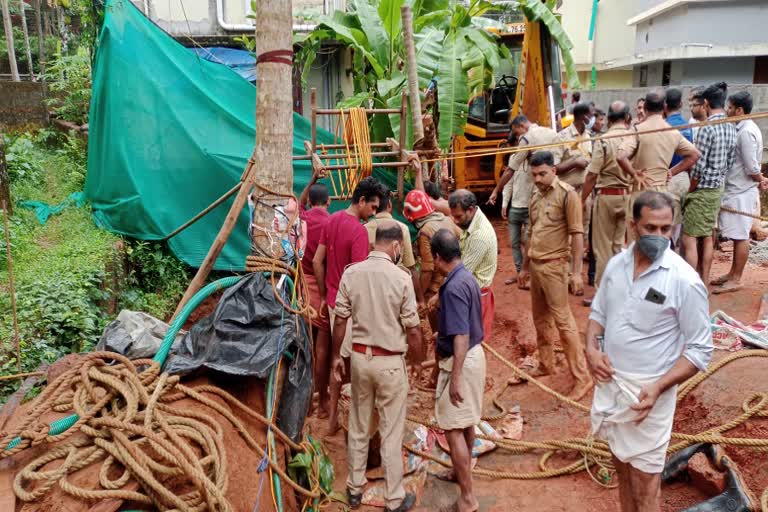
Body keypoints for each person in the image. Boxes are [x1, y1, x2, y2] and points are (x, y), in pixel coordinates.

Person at [587, 191, 713, 512]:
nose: (659, 237)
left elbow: (700, 350)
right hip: (612, 387)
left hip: (649, 399)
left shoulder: (684, 280)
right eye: (650, 228)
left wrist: (658, 387)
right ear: (632, 226)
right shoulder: (616, 265)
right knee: (623, 473)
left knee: (646, 487)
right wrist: (591, 349)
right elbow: (598, 315)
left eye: (666, 229)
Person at [332, 222, 421, 512]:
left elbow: (341, 320)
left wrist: (336, 356)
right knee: (391, 431)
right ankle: (394, 498)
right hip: (390, 362)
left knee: (359, 426)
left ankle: (354, 489)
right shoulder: (401, 278)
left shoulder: (351, 273)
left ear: (374, 243)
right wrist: (416, 362)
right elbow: (414, 330)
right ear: (396, 247)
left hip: (359, 359)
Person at [518, 151, 593, 400]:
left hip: (555, 266)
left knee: (564, 322)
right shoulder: (536, 195)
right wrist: (525, 267)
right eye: (534, 175)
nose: (538, 179)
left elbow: (577, 233)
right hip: (537, 266)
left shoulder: (567, 195)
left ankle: (582, 378)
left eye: (542, 174)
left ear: (554, 169)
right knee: (540, 319)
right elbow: (532, 232)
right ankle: (546, 363)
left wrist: (576, 273)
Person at [313, 176, 384, 431]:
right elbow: (359, 278)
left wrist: (323, 295)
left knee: (334, 359)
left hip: (332, 302)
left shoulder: (331, 220)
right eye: (373, 207)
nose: (373, 213)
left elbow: (316, 261)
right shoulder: (358, 232)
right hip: (350, 309)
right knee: (351, 365)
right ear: (362, 200)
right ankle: (352, 421)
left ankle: (332, 418)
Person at [431, 228, 486, 512]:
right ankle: (459, 472)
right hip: (474, 355)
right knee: (465, 422)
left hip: (462, 360)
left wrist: (455, 377)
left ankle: (468, 498)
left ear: (438, 258)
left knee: (453, 428)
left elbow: (461, 335)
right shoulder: (467, 278)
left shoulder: (452, 288)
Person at [487, 115, 562, 284]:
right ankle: (526, 273)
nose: (517, 137)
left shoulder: (528, 139)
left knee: (531, 239)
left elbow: (509, 171)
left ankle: (528, 273)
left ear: (521, 126)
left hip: (532, 202)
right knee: (525, 240)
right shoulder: (550, 133)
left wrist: (495, 190)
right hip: (532, 201)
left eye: (516, 133)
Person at [403, 189, 462, 381]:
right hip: (453, 281)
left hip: (436, 291)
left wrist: (420, 296)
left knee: (439, 334)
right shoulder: (448, 220)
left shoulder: (425, 232)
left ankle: (437, 377)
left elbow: (427, 268)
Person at [682, 82, 737, 286]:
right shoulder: (732, 126)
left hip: (703, 188)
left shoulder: (707, 128)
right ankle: (703, 281)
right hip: (717, 188)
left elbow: (697, 166)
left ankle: (691, 284)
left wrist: (691, 189)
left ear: (705, 103)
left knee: (689, 237)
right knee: (706, 235)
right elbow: (730, 162)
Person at [712, 91, 767, 293]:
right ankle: (732, 273)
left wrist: (760, 179)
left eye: (730, 108)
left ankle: (736, 278)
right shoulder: (744, 127)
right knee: (736, 235)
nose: (727, 111)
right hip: (738, 189)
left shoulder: (745, 131)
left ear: (739, 110)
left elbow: (751, 167)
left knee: (740, 236)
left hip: (741, 191)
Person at [581, 101, 633, 297]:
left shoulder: (603, 140)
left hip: (607, 197)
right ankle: (619, 291)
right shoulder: (634, 137)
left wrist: (581, 198)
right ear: (627, 118)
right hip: (627, 196)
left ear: (608, 120)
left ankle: (602, 295)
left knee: (602, 249)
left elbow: (592, 174)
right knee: (619, 246)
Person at [618, 90, 700, 200]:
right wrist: (671, 171)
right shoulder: (673, 132)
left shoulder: (637, 130)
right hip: (662, 195)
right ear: (665, 107)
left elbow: (620, 156)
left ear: (645, 106)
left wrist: (634, 173)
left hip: (640, 193)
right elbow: (695, 155)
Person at [298, 170, 332, 417]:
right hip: (324, 287)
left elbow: (298, 204)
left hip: (302, 287)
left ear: (310, 201)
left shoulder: (301, 219)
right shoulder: (332, 223)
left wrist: (310, 180)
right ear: (328, 202)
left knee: (305, 347)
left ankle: (306, 401)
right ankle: (322, 402)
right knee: (323, 350)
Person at [365, 186, 424, 311]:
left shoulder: (364, 228)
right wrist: (420, 300)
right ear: (389, 205)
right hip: (397, 287)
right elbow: (411, 267)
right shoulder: (402, 228)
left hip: (370, 288)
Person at [448, 189, 498, 339]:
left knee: (472, 344)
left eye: (458, 216)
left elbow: (461, 275)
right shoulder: (471, 221)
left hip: (477, 296)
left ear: (470, 210)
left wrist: (439, 296)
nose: (455, 221)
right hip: (474, 291)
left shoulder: (479, 236)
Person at [664, 88, 695, 249]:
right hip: (684, 177)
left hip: (668, 178)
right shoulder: (687, 125)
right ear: (681, 104)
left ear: (665, 105)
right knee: (678, 227)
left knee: (665, 227)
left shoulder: (663, 127)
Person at [556, 102, 593, 189]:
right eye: (591, 115)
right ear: (584, 117)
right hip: (566, 192)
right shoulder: (562, 137)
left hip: (585, 192)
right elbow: (553, 169)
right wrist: (574, 163)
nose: (593, 118)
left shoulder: (588, 136)